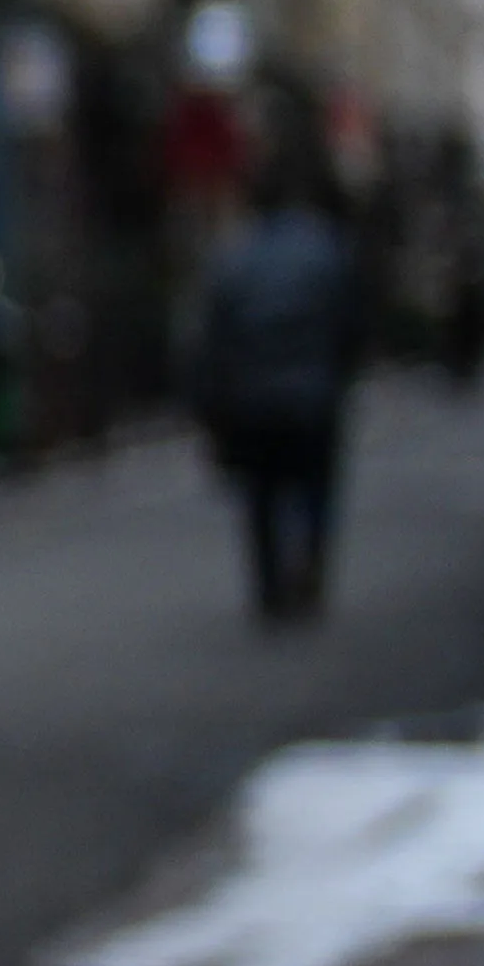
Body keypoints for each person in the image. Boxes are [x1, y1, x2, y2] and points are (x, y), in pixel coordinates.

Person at [188, 145, 361, 624]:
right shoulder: (323, 248)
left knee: (261, 497)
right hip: (312, 394)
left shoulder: (234, 259)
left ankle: (269, 587)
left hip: (253, 400)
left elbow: (211, 339)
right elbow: (348, 322)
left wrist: (210, 404)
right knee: (315, 490)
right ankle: (309, 572)